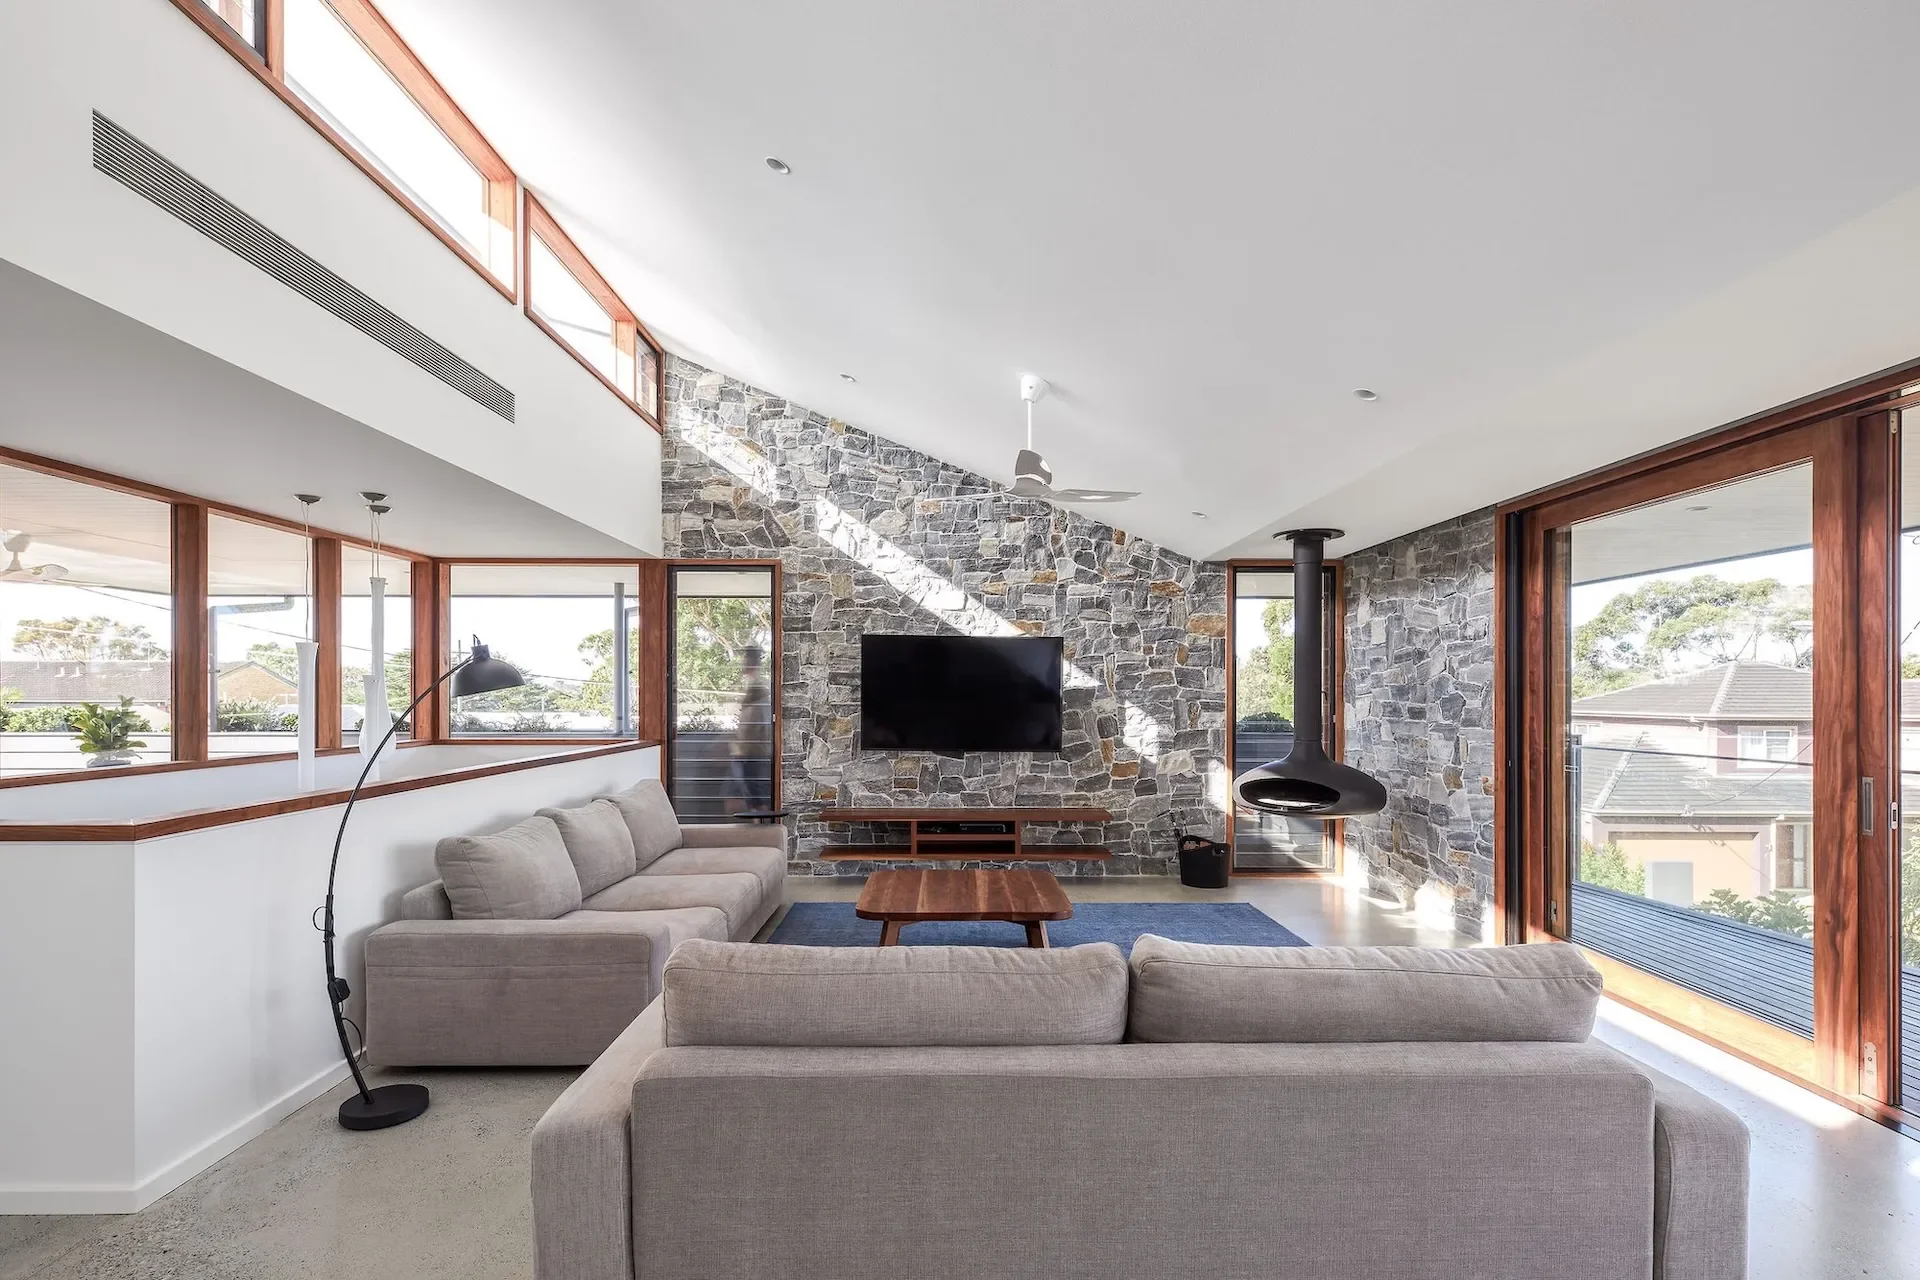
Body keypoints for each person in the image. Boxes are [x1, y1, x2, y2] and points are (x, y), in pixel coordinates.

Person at [727, 645, 772, 813]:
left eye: (746, 659)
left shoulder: (760, 689)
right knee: (747, 800)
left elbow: (761, 723)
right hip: (744, 753)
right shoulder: (751, 687)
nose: (743, 663)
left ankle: (760, 834)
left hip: (752, 754)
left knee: (754, 801)